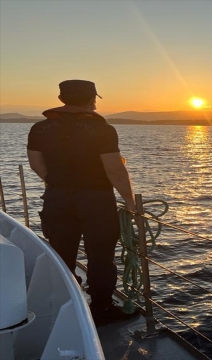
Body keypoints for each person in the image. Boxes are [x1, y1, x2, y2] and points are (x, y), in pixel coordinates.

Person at [27, 79, 137, 326]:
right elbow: (114, 170)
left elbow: (36, 164)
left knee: (61, 253)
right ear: (91, 99)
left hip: (57, 198)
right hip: (96, 200)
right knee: (100, 256)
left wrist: (58, 183)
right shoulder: (102, 129)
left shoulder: (40, 128)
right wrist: (130, 201)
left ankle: (67, 303)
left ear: (61, 99)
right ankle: (101, 308)